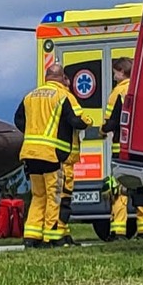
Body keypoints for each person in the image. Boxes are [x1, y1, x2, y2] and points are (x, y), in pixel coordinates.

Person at [17, 50, 86, 245]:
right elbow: (77, 121)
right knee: (55, 197)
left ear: (47, 77)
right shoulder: (63, 96)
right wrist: (88, 121)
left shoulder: (29, 96)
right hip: (52, 156)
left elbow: (18, 120)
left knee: (38, 196)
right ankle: (52, 237)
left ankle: (31, 237)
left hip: (30, 154)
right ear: (62, 78)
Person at [103, 54, 143, 238]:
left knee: (120, 189)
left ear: (122, 73)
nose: (114, 76)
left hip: (120, 148)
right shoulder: (142, 88)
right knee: (142, 186)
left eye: (116, 73)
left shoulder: (118, 92)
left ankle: (118, 230)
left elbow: (112, 121)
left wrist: (102, 130)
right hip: (141, 147)